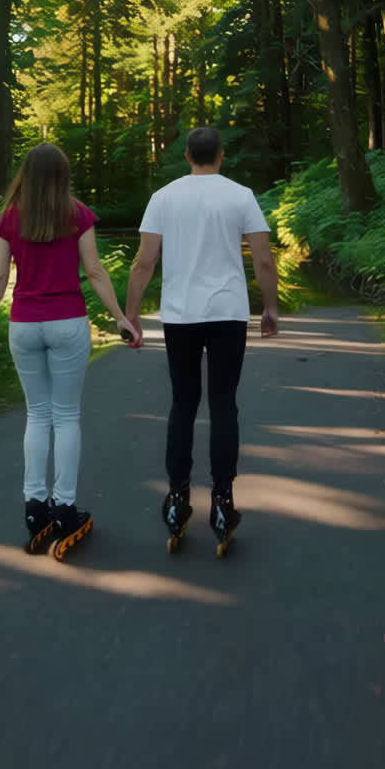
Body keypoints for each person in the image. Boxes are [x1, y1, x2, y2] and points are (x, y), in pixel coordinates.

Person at [125, 126, 279, 548]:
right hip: (228, 312)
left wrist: (131, 315)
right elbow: (263, 261)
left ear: (188, 155)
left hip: (181, 315)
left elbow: (144, 262)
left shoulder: (163, 197)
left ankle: (177, 497)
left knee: (184, 402)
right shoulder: (241, 196)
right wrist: (270, 307)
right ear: (221, 155)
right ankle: (223, 500)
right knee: (223, 403)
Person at [0, 143, 137, 554]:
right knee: (66, 416)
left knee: (37, 414)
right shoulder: (77, 214)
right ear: (63, 176)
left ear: (26, 175)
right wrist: (120, 317)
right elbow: (95, 270)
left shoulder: (11, 217)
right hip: (68, 322)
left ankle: (35, 508)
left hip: (24, 324)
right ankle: (65, 508)